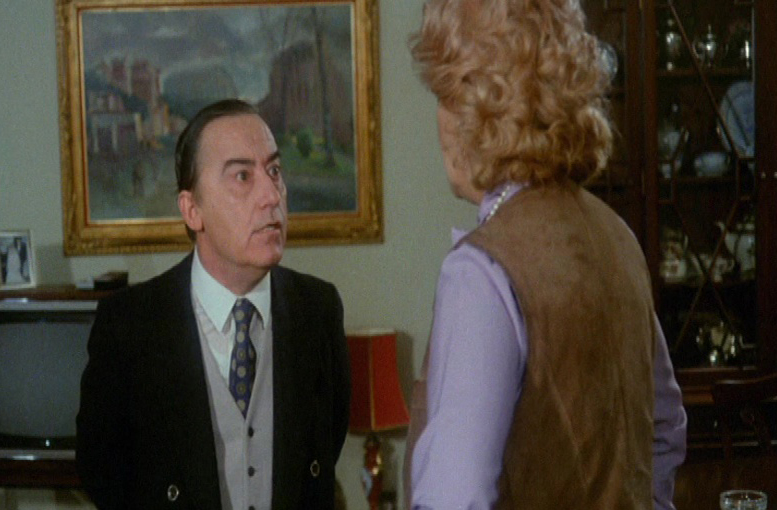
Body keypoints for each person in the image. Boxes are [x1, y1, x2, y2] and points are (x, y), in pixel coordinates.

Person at [404, 1, 687, 509]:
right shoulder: (616, 236)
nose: (439, 119)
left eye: (445, 95)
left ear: (479, 112)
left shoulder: (482, 271)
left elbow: (454, 497)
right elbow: (663, 433)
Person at [77, 99, 351, 510]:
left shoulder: (318, 309)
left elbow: (323, 453)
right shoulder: (129, 326)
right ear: (192, 210)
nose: (271, 195)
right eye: (242, 176)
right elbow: (101, 472)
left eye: (274, 171)